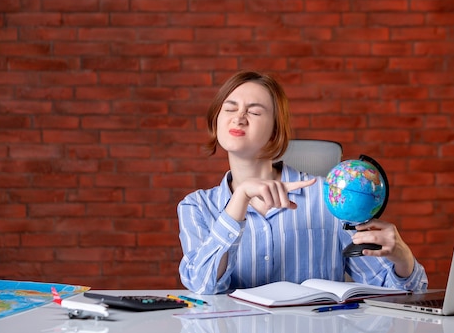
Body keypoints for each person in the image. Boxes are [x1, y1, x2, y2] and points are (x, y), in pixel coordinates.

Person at [177, 71, 428, 294]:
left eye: (254, 112)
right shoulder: (196, 206)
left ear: (276, 130)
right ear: (216, 120)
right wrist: (239, 199)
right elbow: (202, 285)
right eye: (230, 109)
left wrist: (403, 258)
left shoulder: (331, 196)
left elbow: (391, 289)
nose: (239, 118)